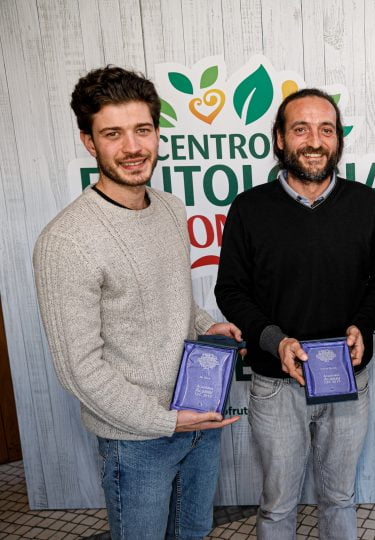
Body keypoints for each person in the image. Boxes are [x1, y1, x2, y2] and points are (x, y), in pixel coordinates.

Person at [33, 66, 242, 540]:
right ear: (89, 141)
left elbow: (173, 300)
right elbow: (78, 370)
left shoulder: (170, 207)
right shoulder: (66, 241)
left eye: (142, 130)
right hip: (137, 440)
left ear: (156, 132)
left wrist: (205, 324)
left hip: (199, 417)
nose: (132, 148)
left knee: (193, 534)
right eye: (113, 134)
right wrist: (164, 421)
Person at [214, 88, 375, 539]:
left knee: (339, 497)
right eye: (301, 129)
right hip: (276, 384)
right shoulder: (249, 208)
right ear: (279, 139)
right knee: (277, 505)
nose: (314, 141)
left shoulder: (365, 204)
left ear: (337, 141)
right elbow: (231, 290)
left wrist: (363, 326)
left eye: (325, 130)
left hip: (347, 378)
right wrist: (276, 340)